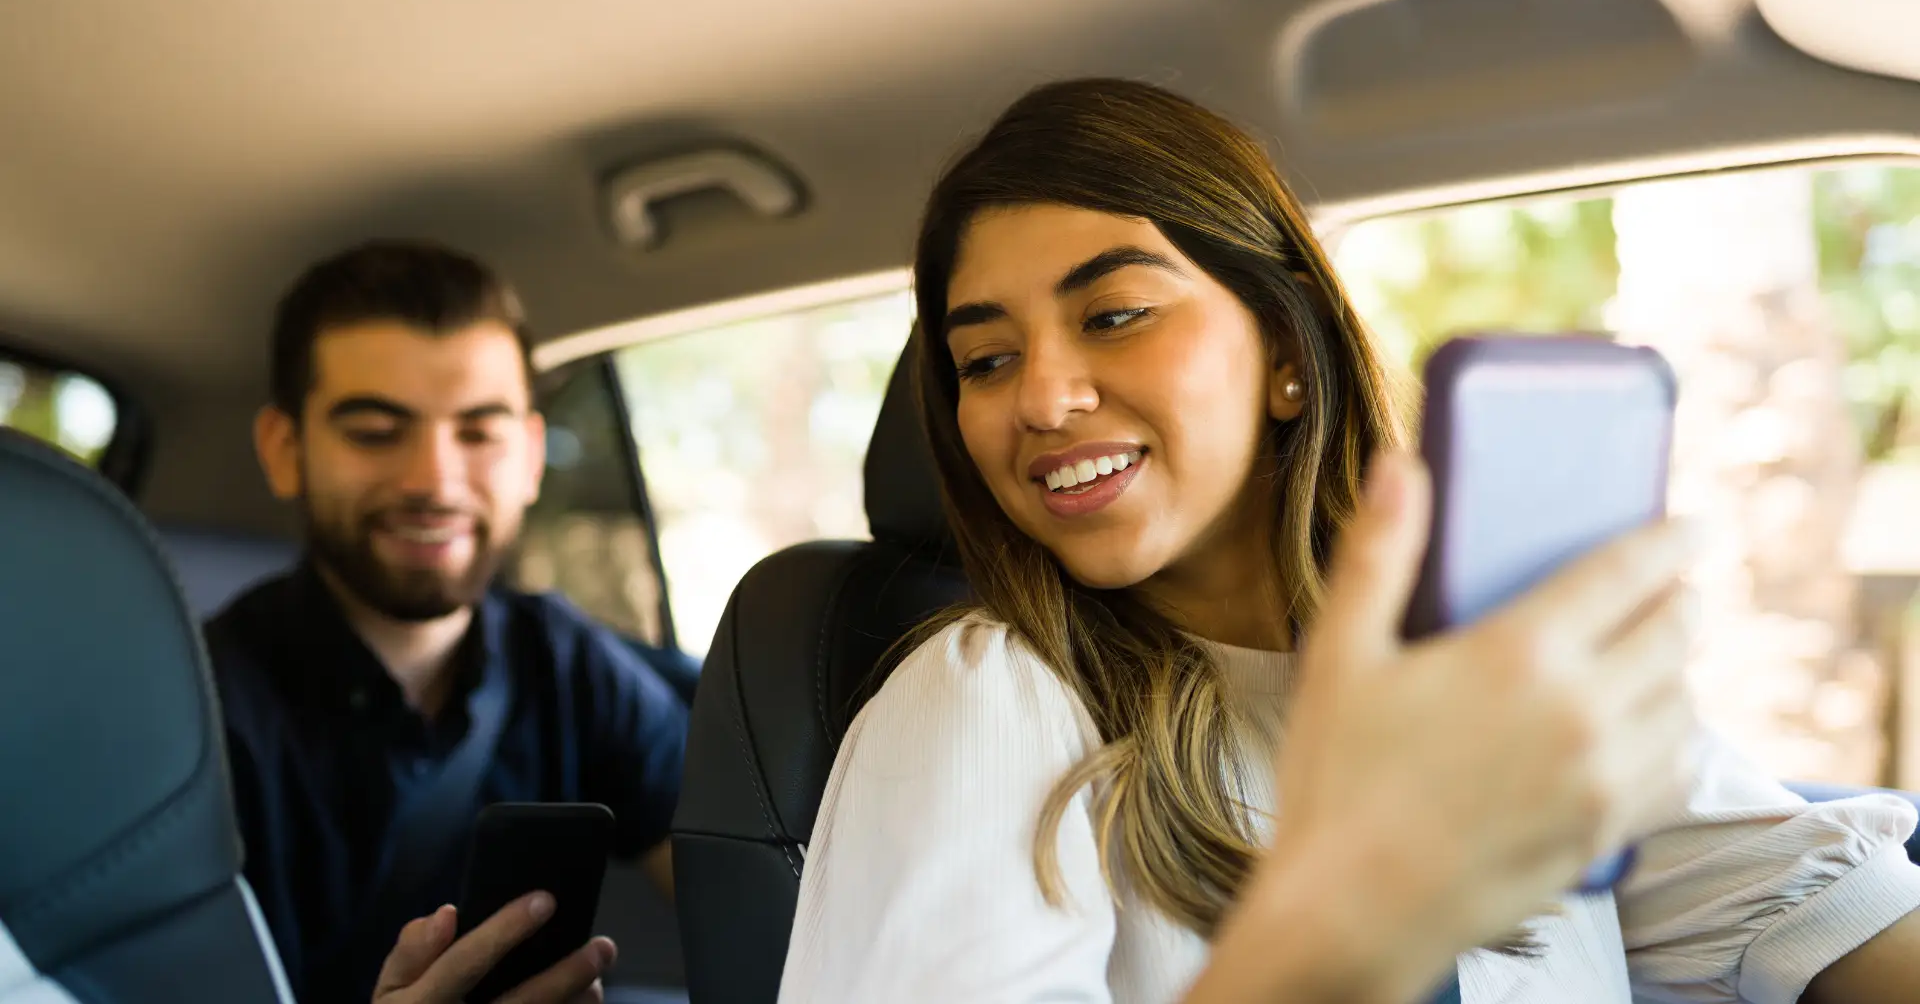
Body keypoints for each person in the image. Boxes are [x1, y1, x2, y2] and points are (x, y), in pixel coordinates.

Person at [777, 78, 1920, 1003]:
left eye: (1113, 315)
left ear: (1284, 350)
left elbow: (1822, 916)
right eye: (985, 360)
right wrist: (1347, 927)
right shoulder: (989, 704)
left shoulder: (1480, 672)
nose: (1042, 397)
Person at [206, 240, 689, 1003]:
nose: (435, 480)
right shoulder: (197, 717)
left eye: (479, 432)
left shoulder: (564, 659)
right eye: (374, 431)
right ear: (285, 450)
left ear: (529, 456)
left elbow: (743, 891)